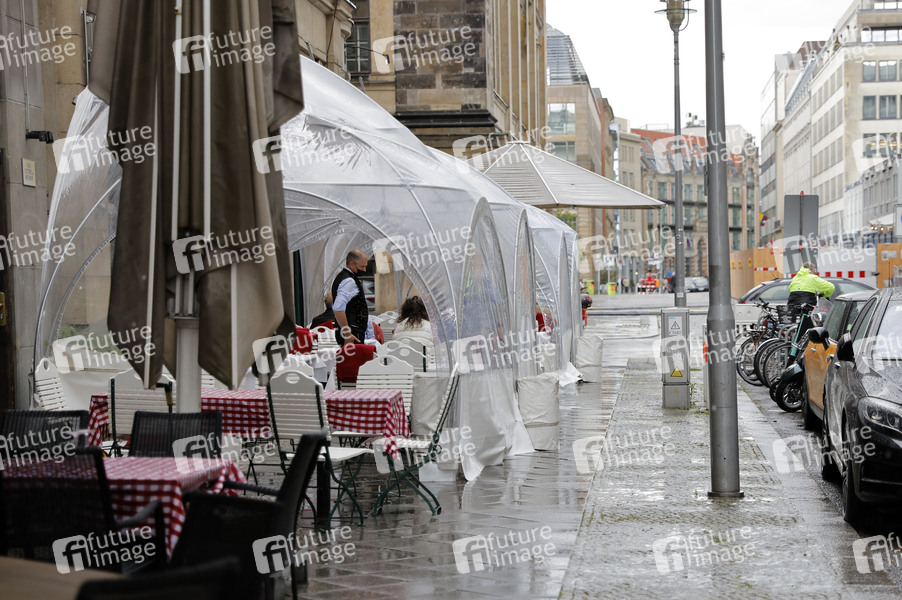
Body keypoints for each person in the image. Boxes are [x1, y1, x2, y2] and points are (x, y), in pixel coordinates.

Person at [331, 249, 373, 345]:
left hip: (350, 331)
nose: (364, 270)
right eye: (362, 266)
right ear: (351, 264)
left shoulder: (342, 277)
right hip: (353, 332)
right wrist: (347, 334)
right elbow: (338, 308)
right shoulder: (349, 281)